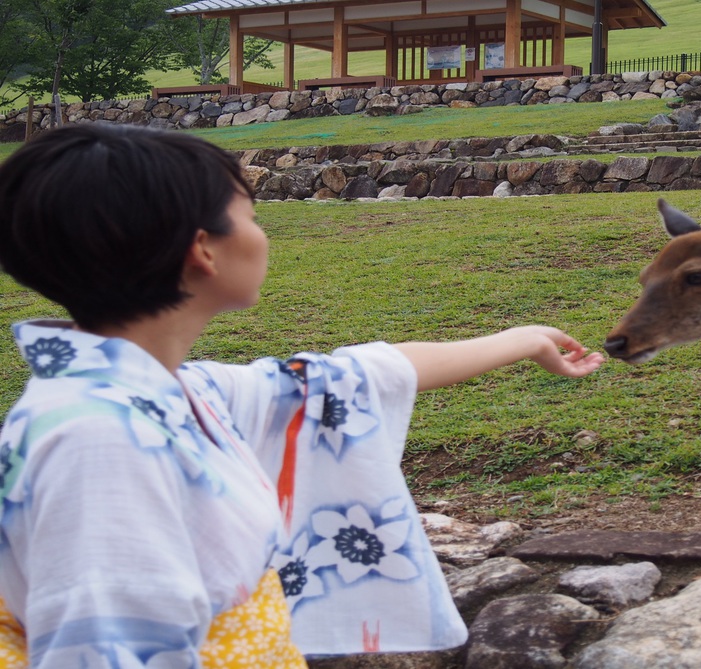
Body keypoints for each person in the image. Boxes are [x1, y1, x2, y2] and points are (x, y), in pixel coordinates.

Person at [0, 123, 604, 668]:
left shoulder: (163, 393)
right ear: (202, 248)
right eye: (252, 215)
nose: (261, 234)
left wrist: (524, 338)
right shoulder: (99, 439)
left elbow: (352, 377)